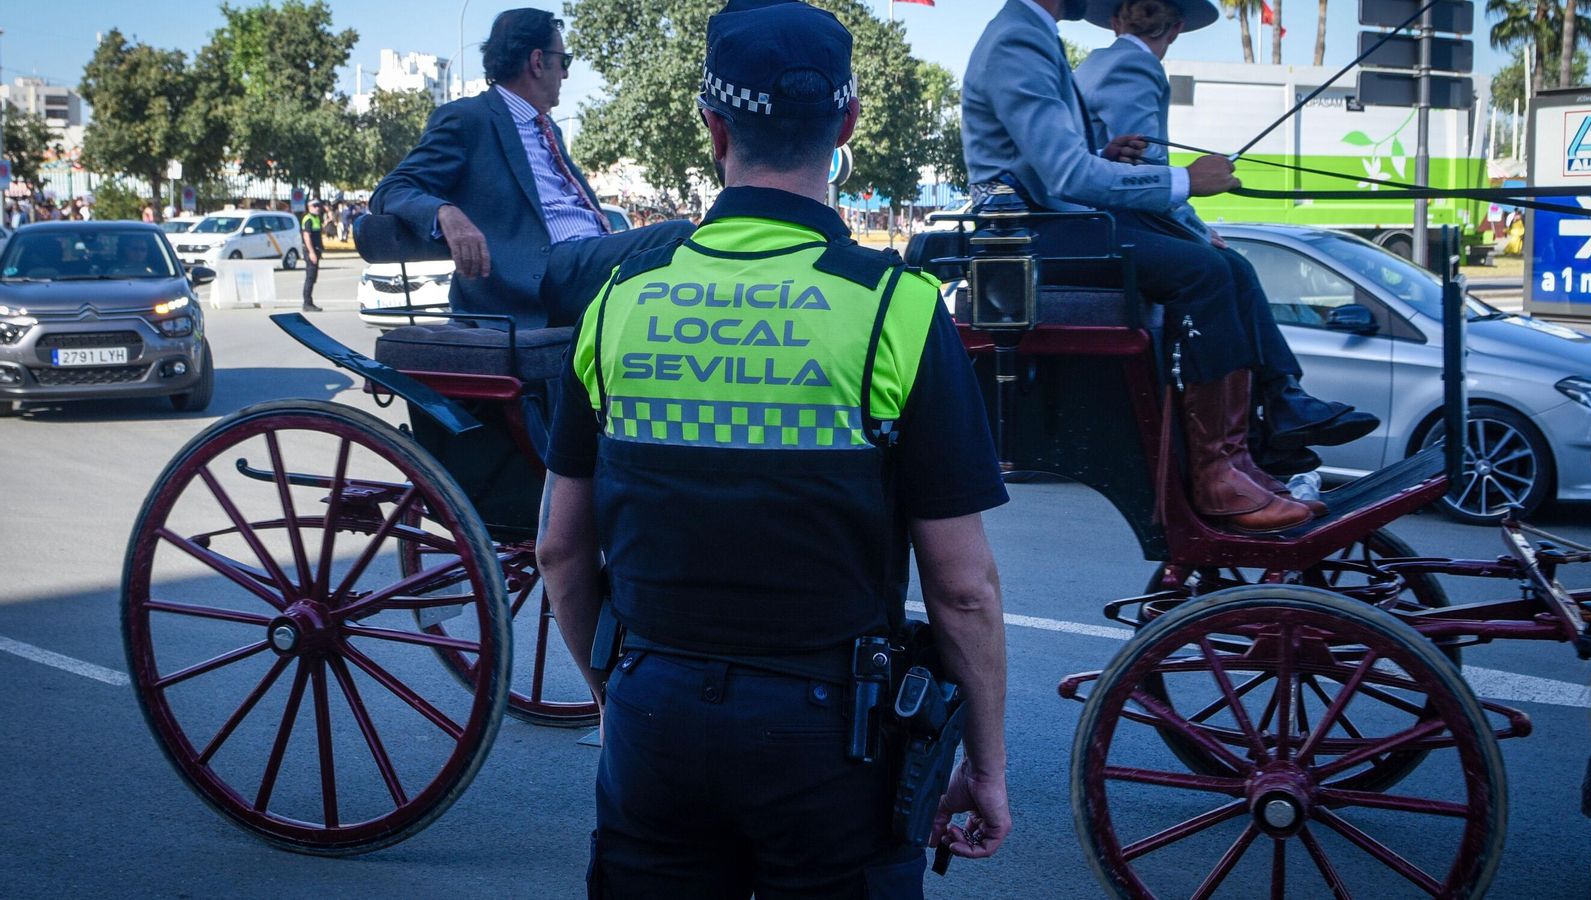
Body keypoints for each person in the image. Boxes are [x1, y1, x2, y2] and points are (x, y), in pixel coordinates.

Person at [537, 2, 1012, 894]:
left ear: (712, 126)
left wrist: (621, 696)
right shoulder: (894, 308)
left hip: (653, 712)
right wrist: (984, 766)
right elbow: (962, 588)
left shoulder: (618, 303)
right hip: (831, 741)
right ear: (848, 123)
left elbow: (561, 549)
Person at [963, 0, 1370, 531]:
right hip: (1032, 238)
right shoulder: (1019, 38)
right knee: (1205, 271)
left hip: (1045, 228)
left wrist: (1105, 156)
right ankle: (1218, 472)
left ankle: (1239, 457)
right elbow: (1066, 176)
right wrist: (1185, 180)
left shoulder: (1033, 35)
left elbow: (1048, 163)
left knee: (1222, 267)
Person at [1073, 0, 1375, 481]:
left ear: (1115, 21)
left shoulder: (1094, 64)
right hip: (1115, 224)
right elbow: (1147, 174)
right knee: (1223, 267)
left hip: (1102, 222)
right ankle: (1261, 422)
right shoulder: (1134, 65)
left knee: (1233, 266)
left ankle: (1279, 405)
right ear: (1175, 29)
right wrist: (1195, 227)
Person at [372, 7, 695, 329]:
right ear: (538, 61)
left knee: (702, 245)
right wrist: (444, 212)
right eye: (564, 61)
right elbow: (392, 188)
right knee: (679, 236)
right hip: (536, 275)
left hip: (580, 264)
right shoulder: (469, 118)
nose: (566, 74)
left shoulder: (547, 129)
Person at [300, 198, 325, 313]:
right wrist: (311, 253)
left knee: (313, 277)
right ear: (309, 207)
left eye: (318, 206)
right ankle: (307, 303)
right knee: (310, 278)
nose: (317, 208)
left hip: (316, 251)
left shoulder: (316, 218)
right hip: (311, 251)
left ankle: (309, 302)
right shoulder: (308, 219)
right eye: (314, 206)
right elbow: (307, 237)